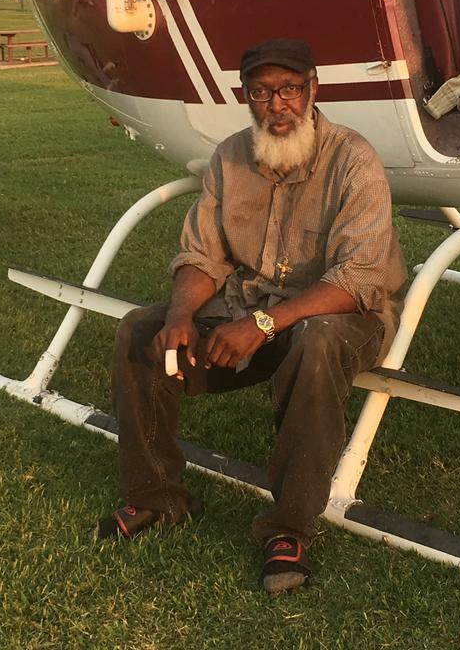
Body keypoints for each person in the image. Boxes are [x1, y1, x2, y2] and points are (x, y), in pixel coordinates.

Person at [100, 38, 407, 594]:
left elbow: (358, 279)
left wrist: (264, 325)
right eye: (262, 93)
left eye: (290, 89)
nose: (277, 105)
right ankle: (156, 498)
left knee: (314, 342)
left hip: (343, 317)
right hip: (251, 308)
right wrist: (181, 314)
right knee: (140, 332)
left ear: (313, 89)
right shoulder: (230, 156)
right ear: (246, 98)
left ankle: (287, 528)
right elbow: (202, 254)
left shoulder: (353, 158)